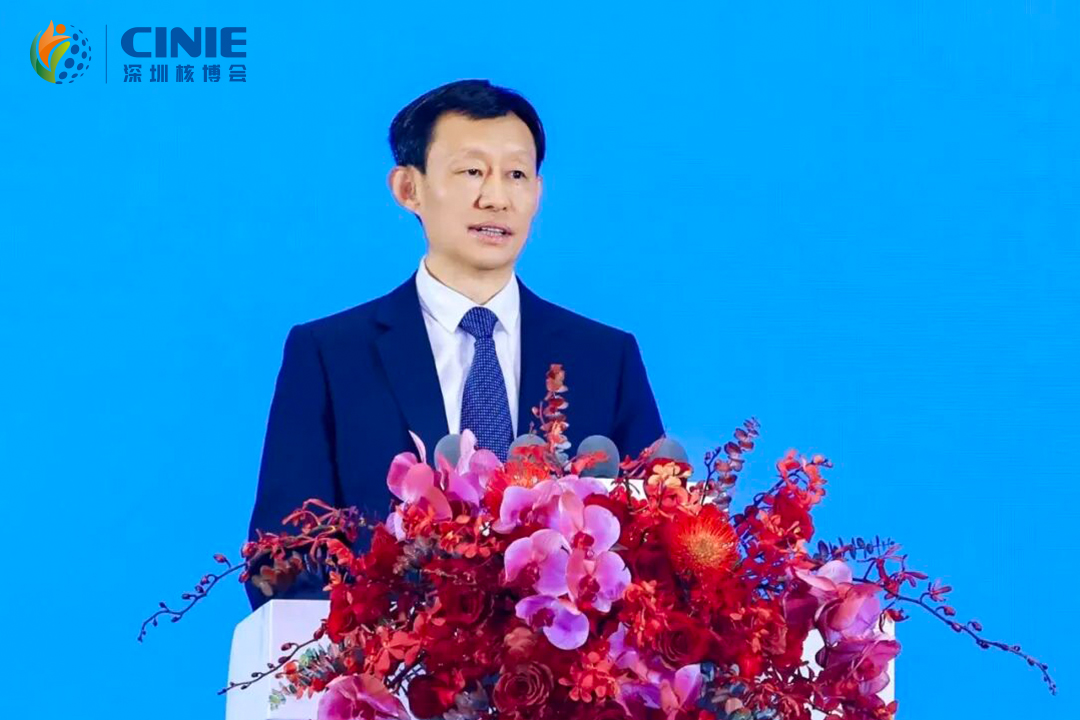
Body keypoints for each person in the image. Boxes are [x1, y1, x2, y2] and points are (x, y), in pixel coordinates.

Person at [245, 79, 664, 610]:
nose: (496, 197)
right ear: (408, 189)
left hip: (562, 656)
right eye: (471, 172)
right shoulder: (330, 355)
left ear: (537, 193)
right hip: (388, 657)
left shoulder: (605, 358)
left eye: (516, 174)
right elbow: (280, 563)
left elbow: (657, 548)